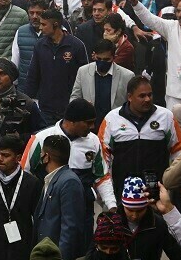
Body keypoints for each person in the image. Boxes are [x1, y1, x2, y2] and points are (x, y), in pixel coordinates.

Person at [22, 99, 117, 247]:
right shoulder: (40, 139)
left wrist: (111, 205)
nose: (92, 127)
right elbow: (24, 174)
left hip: (83, 212)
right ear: (72, 121)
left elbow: (101, 176)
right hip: (50, 212)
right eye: (88, 122)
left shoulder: (93, 142)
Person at [99, 76, 181, 195]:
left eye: (150, 95)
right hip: (124, 193)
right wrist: (107, 193)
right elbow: (103, 159)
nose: (147, 99)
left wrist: (178, 184)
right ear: (130, 97)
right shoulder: (111, 119)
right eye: (142, 96)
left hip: (157, 191)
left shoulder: (166, 117)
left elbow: (179, 153)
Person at [23, 9, 88, 123]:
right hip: (45, 107)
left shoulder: (76, 46)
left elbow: (84, 77)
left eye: (44, 24)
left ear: (56, 24)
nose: (40, 28)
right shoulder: (40, 45)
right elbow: (33, 74)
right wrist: (28, 100)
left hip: (69, 107)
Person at [33, 135, 86, 260]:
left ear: (46, 157)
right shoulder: (51, 179)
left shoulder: (69, 182)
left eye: (41, 153)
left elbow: (70, 228)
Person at [118, 176, 181, 260]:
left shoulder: (158, 224)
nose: (135, 215)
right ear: (123, 206)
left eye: (140, 211)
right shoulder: (110, 224)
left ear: (146, 207)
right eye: (130, 210)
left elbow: (175, 253)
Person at [70, 40, 134, 128]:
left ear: (114, 57)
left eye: (106, 59)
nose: (102, 62)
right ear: (94, 55)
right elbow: (75, 97)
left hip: (116, 126)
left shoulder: (127, 76)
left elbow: (131, 104)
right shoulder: (83, 71)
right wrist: (81, 106)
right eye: (99, 59)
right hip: (89, 127)